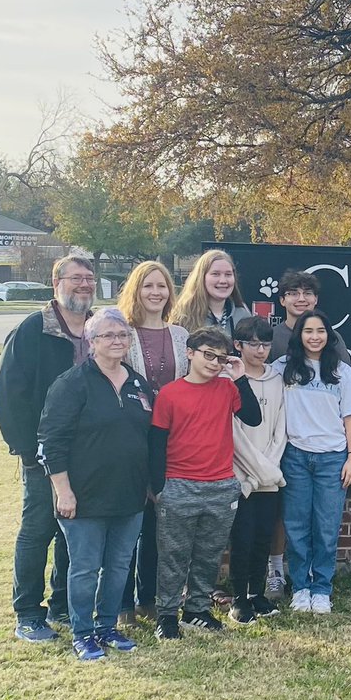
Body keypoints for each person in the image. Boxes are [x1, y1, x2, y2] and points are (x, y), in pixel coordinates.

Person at [37, 308, 152, 661]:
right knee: (85, 568)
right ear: (91, 342)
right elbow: (50, 441)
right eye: (108, 335)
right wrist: (63, 490)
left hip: (129, 495)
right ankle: (82, 632)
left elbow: (148, 436)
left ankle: (107, 627)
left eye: (122, 335)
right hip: (83, 497)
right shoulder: (72, 384)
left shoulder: (137, 384)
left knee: (119, 566)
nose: (117, 341)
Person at [0, 255, 97, 642]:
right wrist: (25, 448)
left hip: (89, 452)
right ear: (57, 282)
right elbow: (10, 393)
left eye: (89, 278)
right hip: (43, 452)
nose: (84, 285)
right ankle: (27, 613)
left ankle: (63, 605)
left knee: (74, 532)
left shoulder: (100, 327)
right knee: (38, 529)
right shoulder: (34, 329)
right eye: (76, 278)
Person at [150, 327, 262, 640]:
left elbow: (253, 418)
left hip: (220, 485)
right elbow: (157, 442)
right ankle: (168, 615)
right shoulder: (171, 393)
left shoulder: (228, 389)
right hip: (179, 485)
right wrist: (159, 487)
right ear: (190, 352)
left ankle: (197, 610)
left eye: (221, 359)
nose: (214, 363)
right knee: (173, 556)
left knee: (209, 555)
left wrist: (240, 377)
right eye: (208, 355)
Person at [263, 268, 349, 600]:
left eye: (308, 293)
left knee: (321, 521)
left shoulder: (335, 340)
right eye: (293, 293)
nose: (302, 299)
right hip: (284, 444)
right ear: (282, 299)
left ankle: (318, 583)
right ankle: (278, 573)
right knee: (287, 516)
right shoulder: (271, 341)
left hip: (327, 450)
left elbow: (341, 387)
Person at [115, 260, 190, 626]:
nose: (156, 292)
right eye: (148, 286)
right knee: (130, 522)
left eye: (162, 286)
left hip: (170, 440)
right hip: (132, 438)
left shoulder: (180, 336)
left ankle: (149, 598)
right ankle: (122, 604)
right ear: (136, 291)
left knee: (158, 527)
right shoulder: (122, 333)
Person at [277, 310, 351, 615]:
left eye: (321, 331)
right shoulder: (283, 369)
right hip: (295, 457)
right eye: (308, 331)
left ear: (329, 336)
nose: (315, 337)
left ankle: (322, 589)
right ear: (298, 335)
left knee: (327, 528)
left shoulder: (342, 372)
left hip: (332, 458)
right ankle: (300, 587)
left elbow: (350, 418)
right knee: (297, 526)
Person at [228, 316, 287, 623]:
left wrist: (269, 467)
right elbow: (233, 433)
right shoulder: (229, 380)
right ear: (238, 345)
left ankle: (257, 594)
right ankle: (238, 599)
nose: (260, 350)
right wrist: (259, 471)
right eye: (253, 344)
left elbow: (281, 427)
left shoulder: (278, 379)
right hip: (243, 476)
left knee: (264, 535)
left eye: (265, 344)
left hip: (269, 475)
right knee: (243, 537)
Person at [172, 249, 251, 336]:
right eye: (215, 274)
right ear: (201, 277)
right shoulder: (183, 316)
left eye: (228, 274)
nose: (223, 281)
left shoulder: (243, 316)